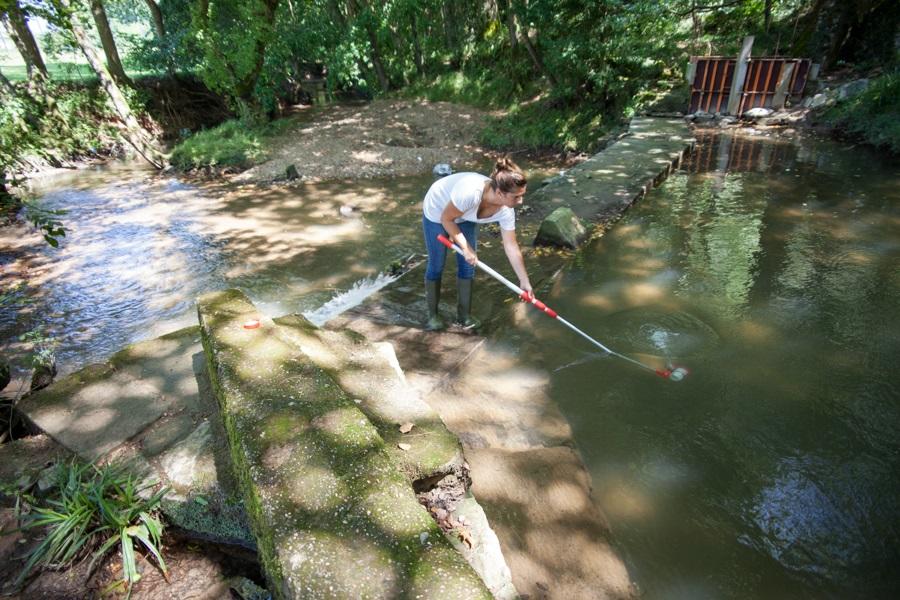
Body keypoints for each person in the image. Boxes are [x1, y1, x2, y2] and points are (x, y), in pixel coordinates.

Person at [421, 157, 533, 331]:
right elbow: (446, 219)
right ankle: (432, 315)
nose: (521, 201)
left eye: (522, 195)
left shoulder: (506, 211)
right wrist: (466, 248)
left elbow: (511, 246)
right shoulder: (470, 193)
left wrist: (524, 281)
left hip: (465, 213)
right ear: (500, 194)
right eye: (516, 196)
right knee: (437, 264)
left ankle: (463, 316)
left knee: (467, 265)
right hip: (439, 210)